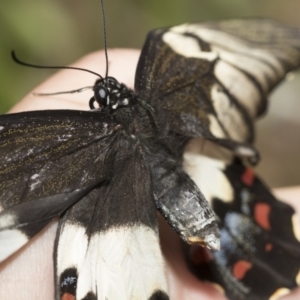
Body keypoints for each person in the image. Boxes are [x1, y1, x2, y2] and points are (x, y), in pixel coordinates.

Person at [0, 49, 299, 300]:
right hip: (190, 168)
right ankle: (249, 249)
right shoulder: (157, 85)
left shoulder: (83, 135)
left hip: (178, 177)